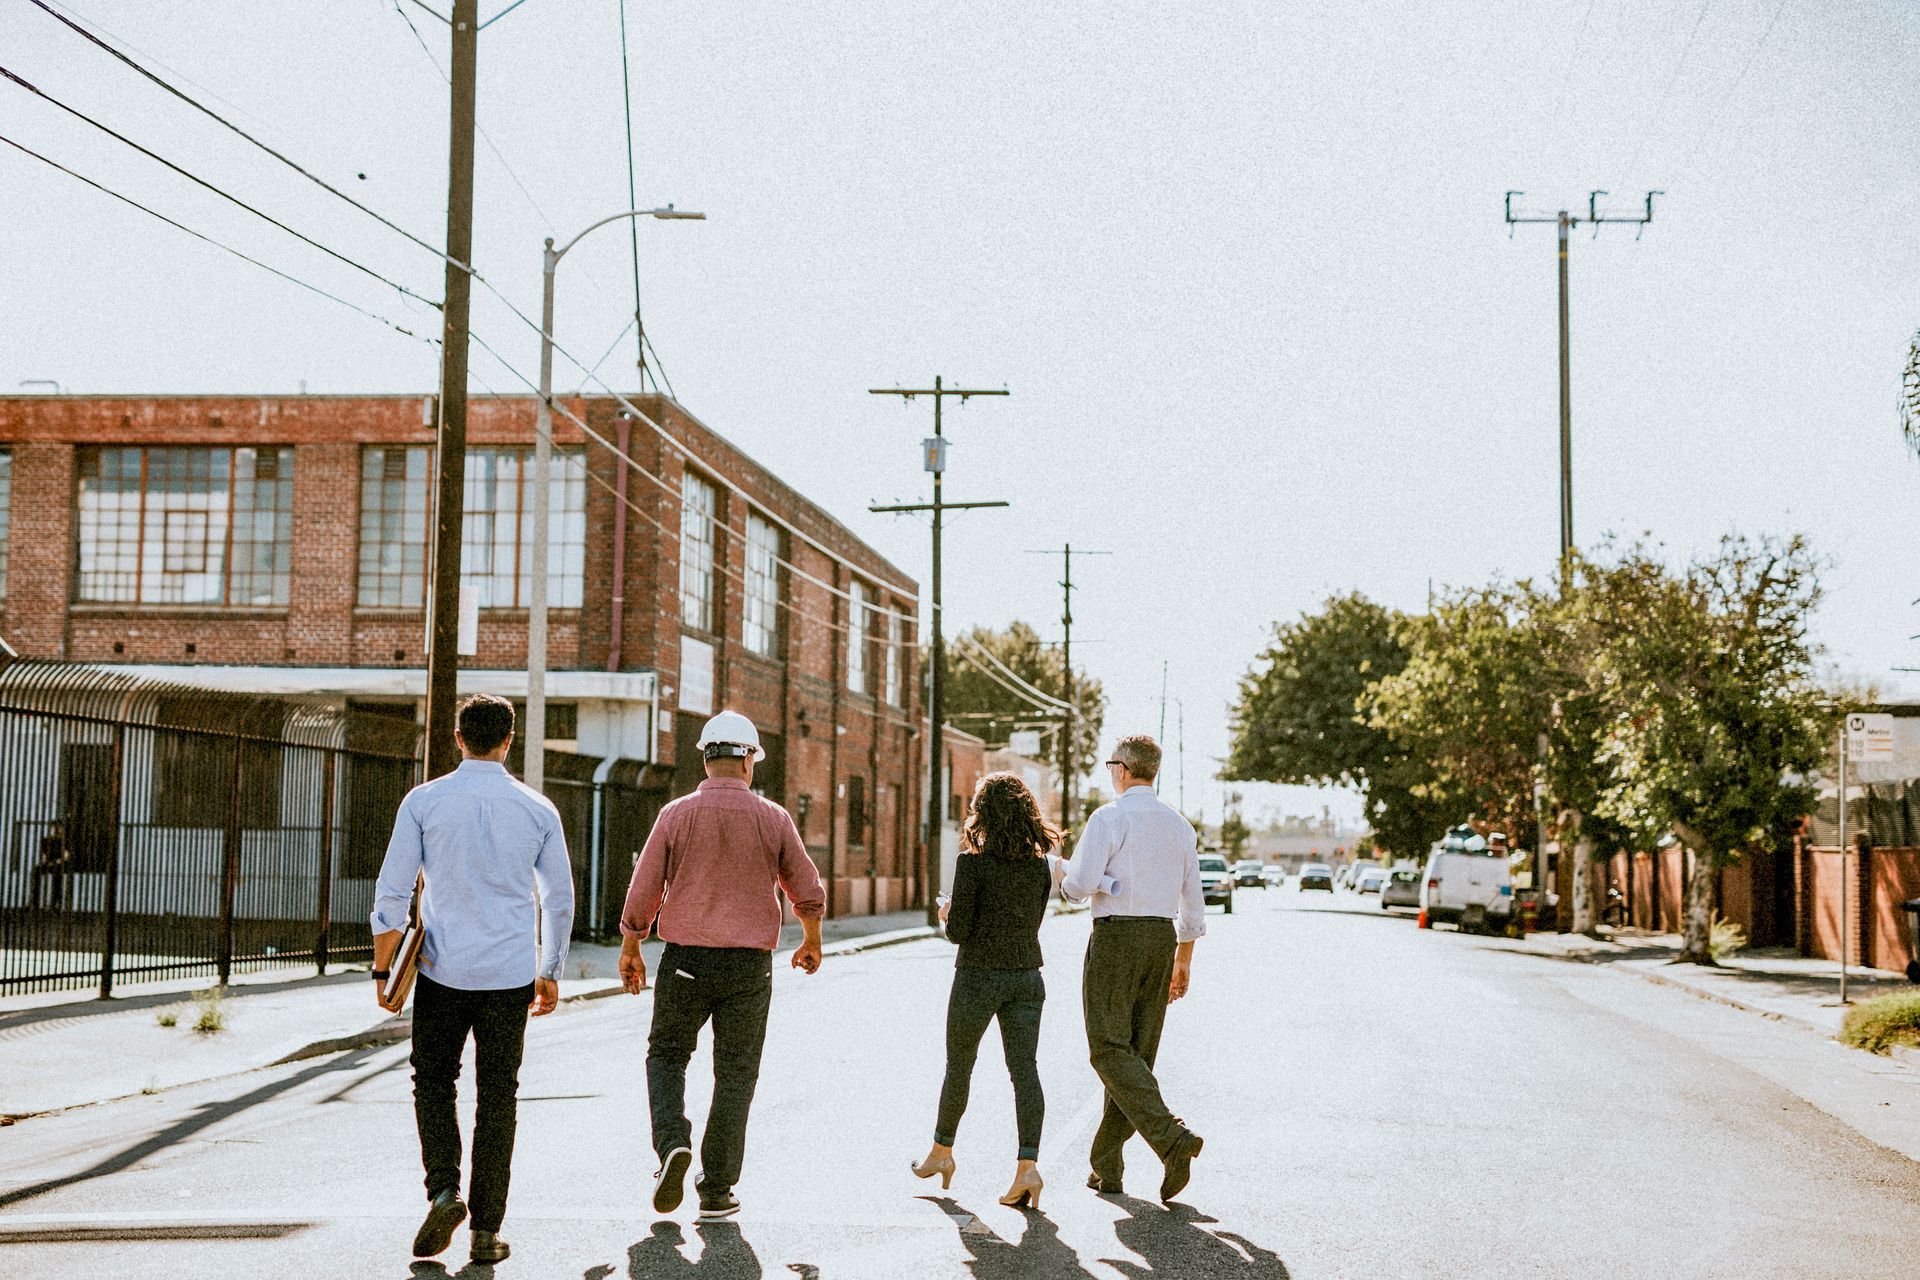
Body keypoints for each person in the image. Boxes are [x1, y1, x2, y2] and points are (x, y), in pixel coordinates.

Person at [371, 693, 574, 1266]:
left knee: (433, 1082)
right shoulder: (537, 809)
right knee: (498, 1097)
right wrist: (550, 970)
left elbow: (391, 890)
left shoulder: (424, 802)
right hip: (510, 974)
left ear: (458, 739)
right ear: (508, 741)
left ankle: (443, 1190)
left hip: (441, 970)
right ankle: (487, 1230)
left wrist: (384, 969)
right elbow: (558, 898)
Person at [619, 709, 826, 1222]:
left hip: (686, 960)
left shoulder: (675, 814)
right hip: (749, 967)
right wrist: (811, 937)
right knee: (736, 1073)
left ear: (706, 759)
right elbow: (806, 886)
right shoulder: (773, 817)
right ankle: (716, 1189)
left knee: (667, 1054)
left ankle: (672, 1144)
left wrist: (631, 943)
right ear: (749, 762)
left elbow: (645, 886)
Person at [1062, 734, 1207, 1203]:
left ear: (1123, 769)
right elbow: (1194, 902)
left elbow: (1079, 886)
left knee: (1108, 1049)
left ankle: (1171, 1138)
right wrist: (1183, 959)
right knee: (1136, 1056)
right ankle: (1107, 1166)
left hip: (1116, 938)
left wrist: (1078, 880)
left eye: (1110, 766)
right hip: (1161, 940)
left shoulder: (1109, 817)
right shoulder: (1180, 826)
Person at [912, 772, 1065, 1211]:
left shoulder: (972, 862)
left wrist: (946, 912)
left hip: (978, 977)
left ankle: (942, 1153)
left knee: (959, 1067)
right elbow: (1029, 923)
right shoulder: (1039, 866)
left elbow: (959, 931)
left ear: (984, 812)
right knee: (1025, 1073)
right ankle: (1027, 1168)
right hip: (1026, 977)